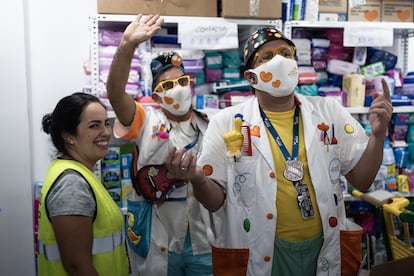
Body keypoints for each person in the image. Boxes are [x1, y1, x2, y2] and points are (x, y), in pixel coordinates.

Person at [169, 27, 393, 275]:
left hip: (323, 248)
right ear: (251, 77)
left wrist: (378, 134)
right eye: (266, 57)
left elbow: (362, 179)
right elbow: (214, 202)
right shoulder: (226, 122)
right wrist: (198, 179)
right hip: (263, 253)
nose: (279, 61)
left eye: (286, 53)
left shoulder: (329, 112)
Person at [106, 14, 213, 276]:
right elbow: (116, 94)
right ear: (156, 96)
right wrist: (127, 45)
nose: (176, 89)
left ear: (191, 85)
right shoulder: (146, 119)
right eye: (167, 85)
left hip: (202, 240)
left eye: (181, 82)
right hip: (159, 236)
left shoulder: (210, 124)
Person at [37, 92, 129, 276]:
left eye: (106, 124)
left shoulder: (77, 171)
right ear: (69, 135)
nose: (106, 132)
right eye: (94, 126)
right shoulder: (72, 184)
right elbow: (77, 266)